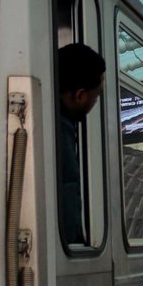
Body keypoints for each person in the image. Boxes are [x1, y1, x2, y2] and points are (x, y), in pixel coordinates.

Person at [56, 43, 106, 246]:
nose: (94, 104)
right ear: (79, 96)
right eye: (95, 97)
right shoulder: (60, 129)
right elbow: (67, 193)